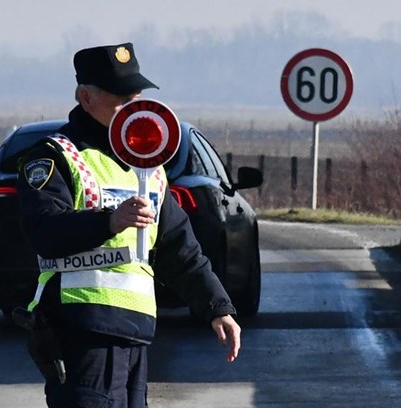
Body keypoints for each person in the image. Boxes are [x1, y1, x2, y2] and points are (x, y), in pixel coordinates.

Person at [16, 42, 242, 408]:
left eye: (133, 97)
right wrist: (109, 221)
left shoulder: (149, 168)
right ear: (86, 97)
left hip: (135, 331)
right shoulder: (54, 156)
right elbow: (44, 230)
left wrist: (218, 307)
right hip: (81, 328)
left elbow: (179, 248)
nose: (130, 109)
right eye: (119, 99)